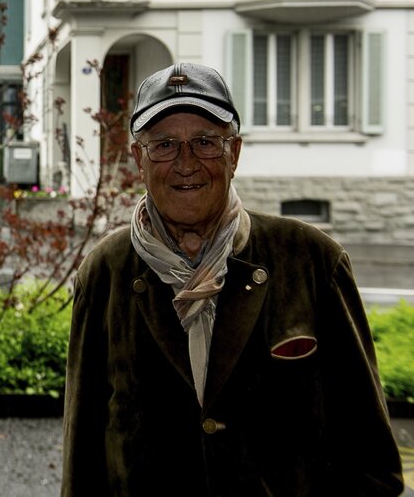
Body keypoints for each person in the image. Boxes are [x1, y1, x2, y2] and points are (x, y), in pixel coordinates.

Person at [61, 62, 404, 496]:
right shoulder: (105, 273)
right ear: (138, 161)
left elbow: (371, 460)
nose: (185, 164)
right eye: (164, 145)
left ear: (234, 153)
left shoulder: (312, 262)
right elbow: (83, 457)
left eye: (205, 142)